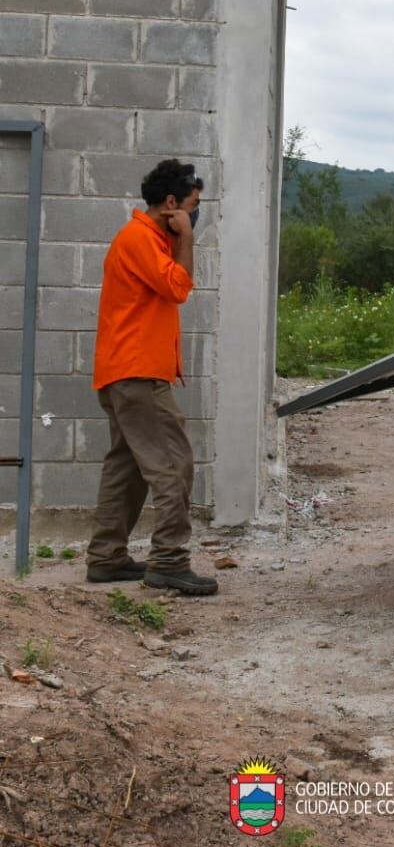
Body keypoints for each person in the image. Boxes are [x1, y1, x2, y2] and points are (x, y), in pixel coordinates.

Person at [84, 159, 218, 596]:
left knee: (127, 468)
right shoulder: (141, 239)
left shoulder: (147, 239)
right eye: (195, 204)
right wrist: (189, 239)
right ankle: (170, 562)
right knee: (173, 464)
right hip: (137, 374)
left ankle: (107, 558)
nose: (198, 212)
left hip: (126, 372)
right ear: (172, 203)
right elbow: (178, 288)